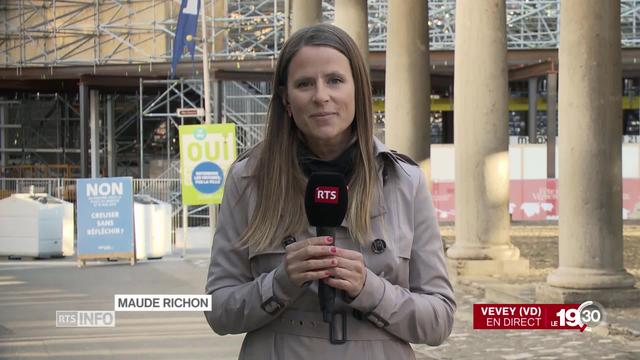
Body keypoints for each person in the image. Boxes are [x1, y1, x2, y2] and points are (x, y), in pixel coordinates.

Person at [204, 23, 455, 359]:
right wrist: (280, 282)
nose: (321, 96)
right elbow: (217, 309)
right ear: (286, 98)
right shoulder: (248, 178)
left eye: (335, 80)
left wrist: (370, 289)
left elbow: (439, 319)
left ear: (357, 91)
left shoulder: (404, 180)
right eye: (305, 83)